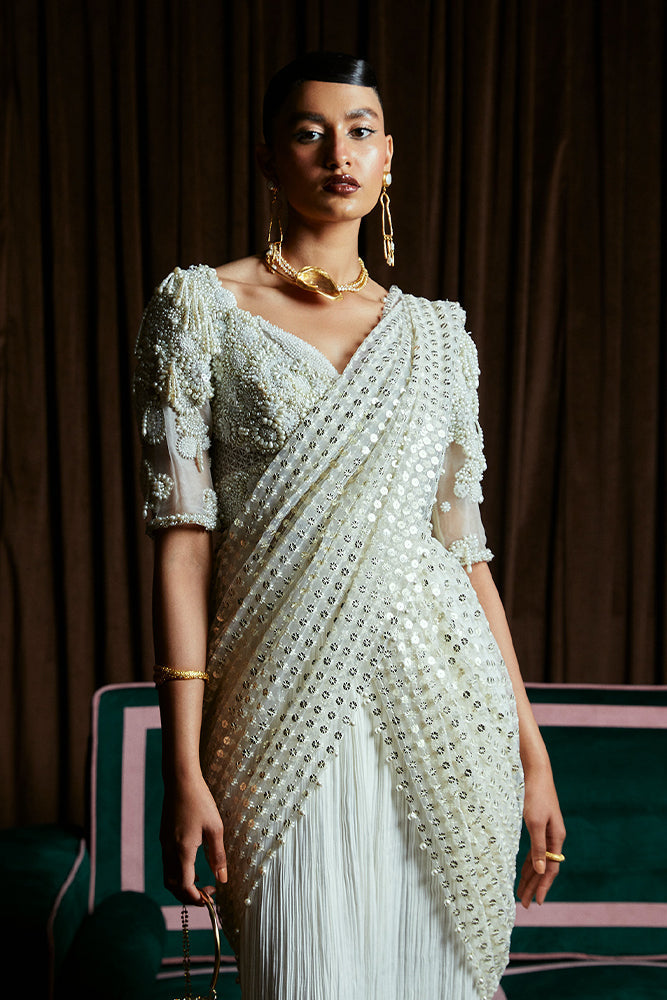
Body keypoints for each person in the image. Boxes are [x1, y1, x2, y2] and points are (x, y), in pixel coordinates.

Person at [133, 51, 565, 1000]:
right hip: (277, 706)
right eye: (310, 132)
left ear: (387, 157)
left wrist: (530, 752)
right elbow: (182, 542)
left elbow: (466, 556)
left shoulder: (437, 336)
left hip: (445, 708)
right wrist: (183, 767)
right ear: (267, 157)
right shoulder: (201, 308)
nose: (339, 153)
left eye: (360, 131)